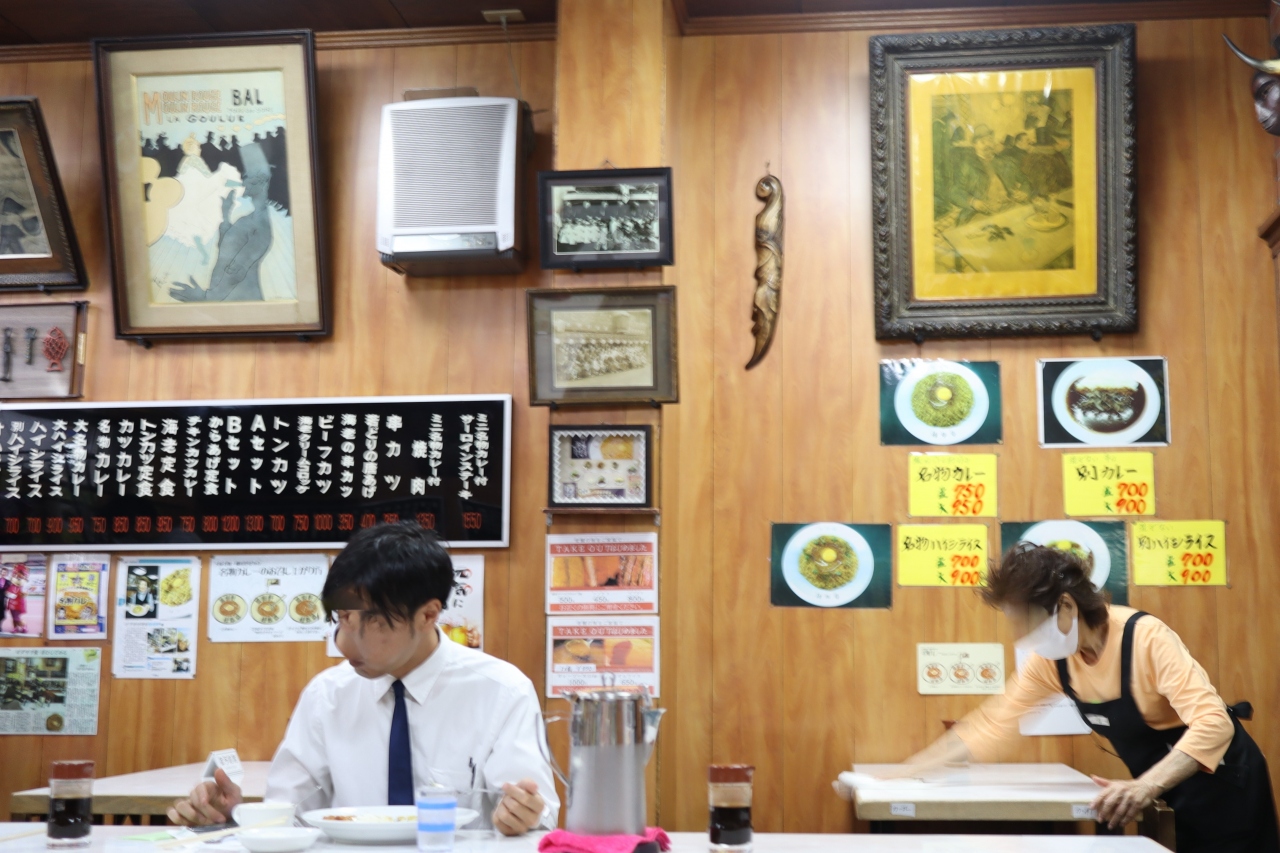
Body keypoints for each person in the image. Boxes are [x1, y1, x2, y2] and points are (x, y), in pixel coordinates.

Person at [883, 543, 1279, 852]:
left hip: (1226, 787)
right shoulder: (1052, 662)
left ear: (1066, 607)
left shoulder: (1144, 638)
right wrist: (904, 774)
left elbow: (1214, 723)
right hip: (1162, 790)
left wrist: (1146, 786)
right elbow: (991, 725)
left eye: (1027, 624)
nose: (1021, 638)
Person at [168, 523, 558, 835]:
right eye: (342, 619)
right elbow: (288, 815)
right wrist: (233, 817)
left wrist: (521, 816)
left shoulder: (501, 691)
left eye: (370, 622)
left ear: (427, 615)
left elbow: (536, 818)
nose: (343, 643)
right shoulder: (328, 695)